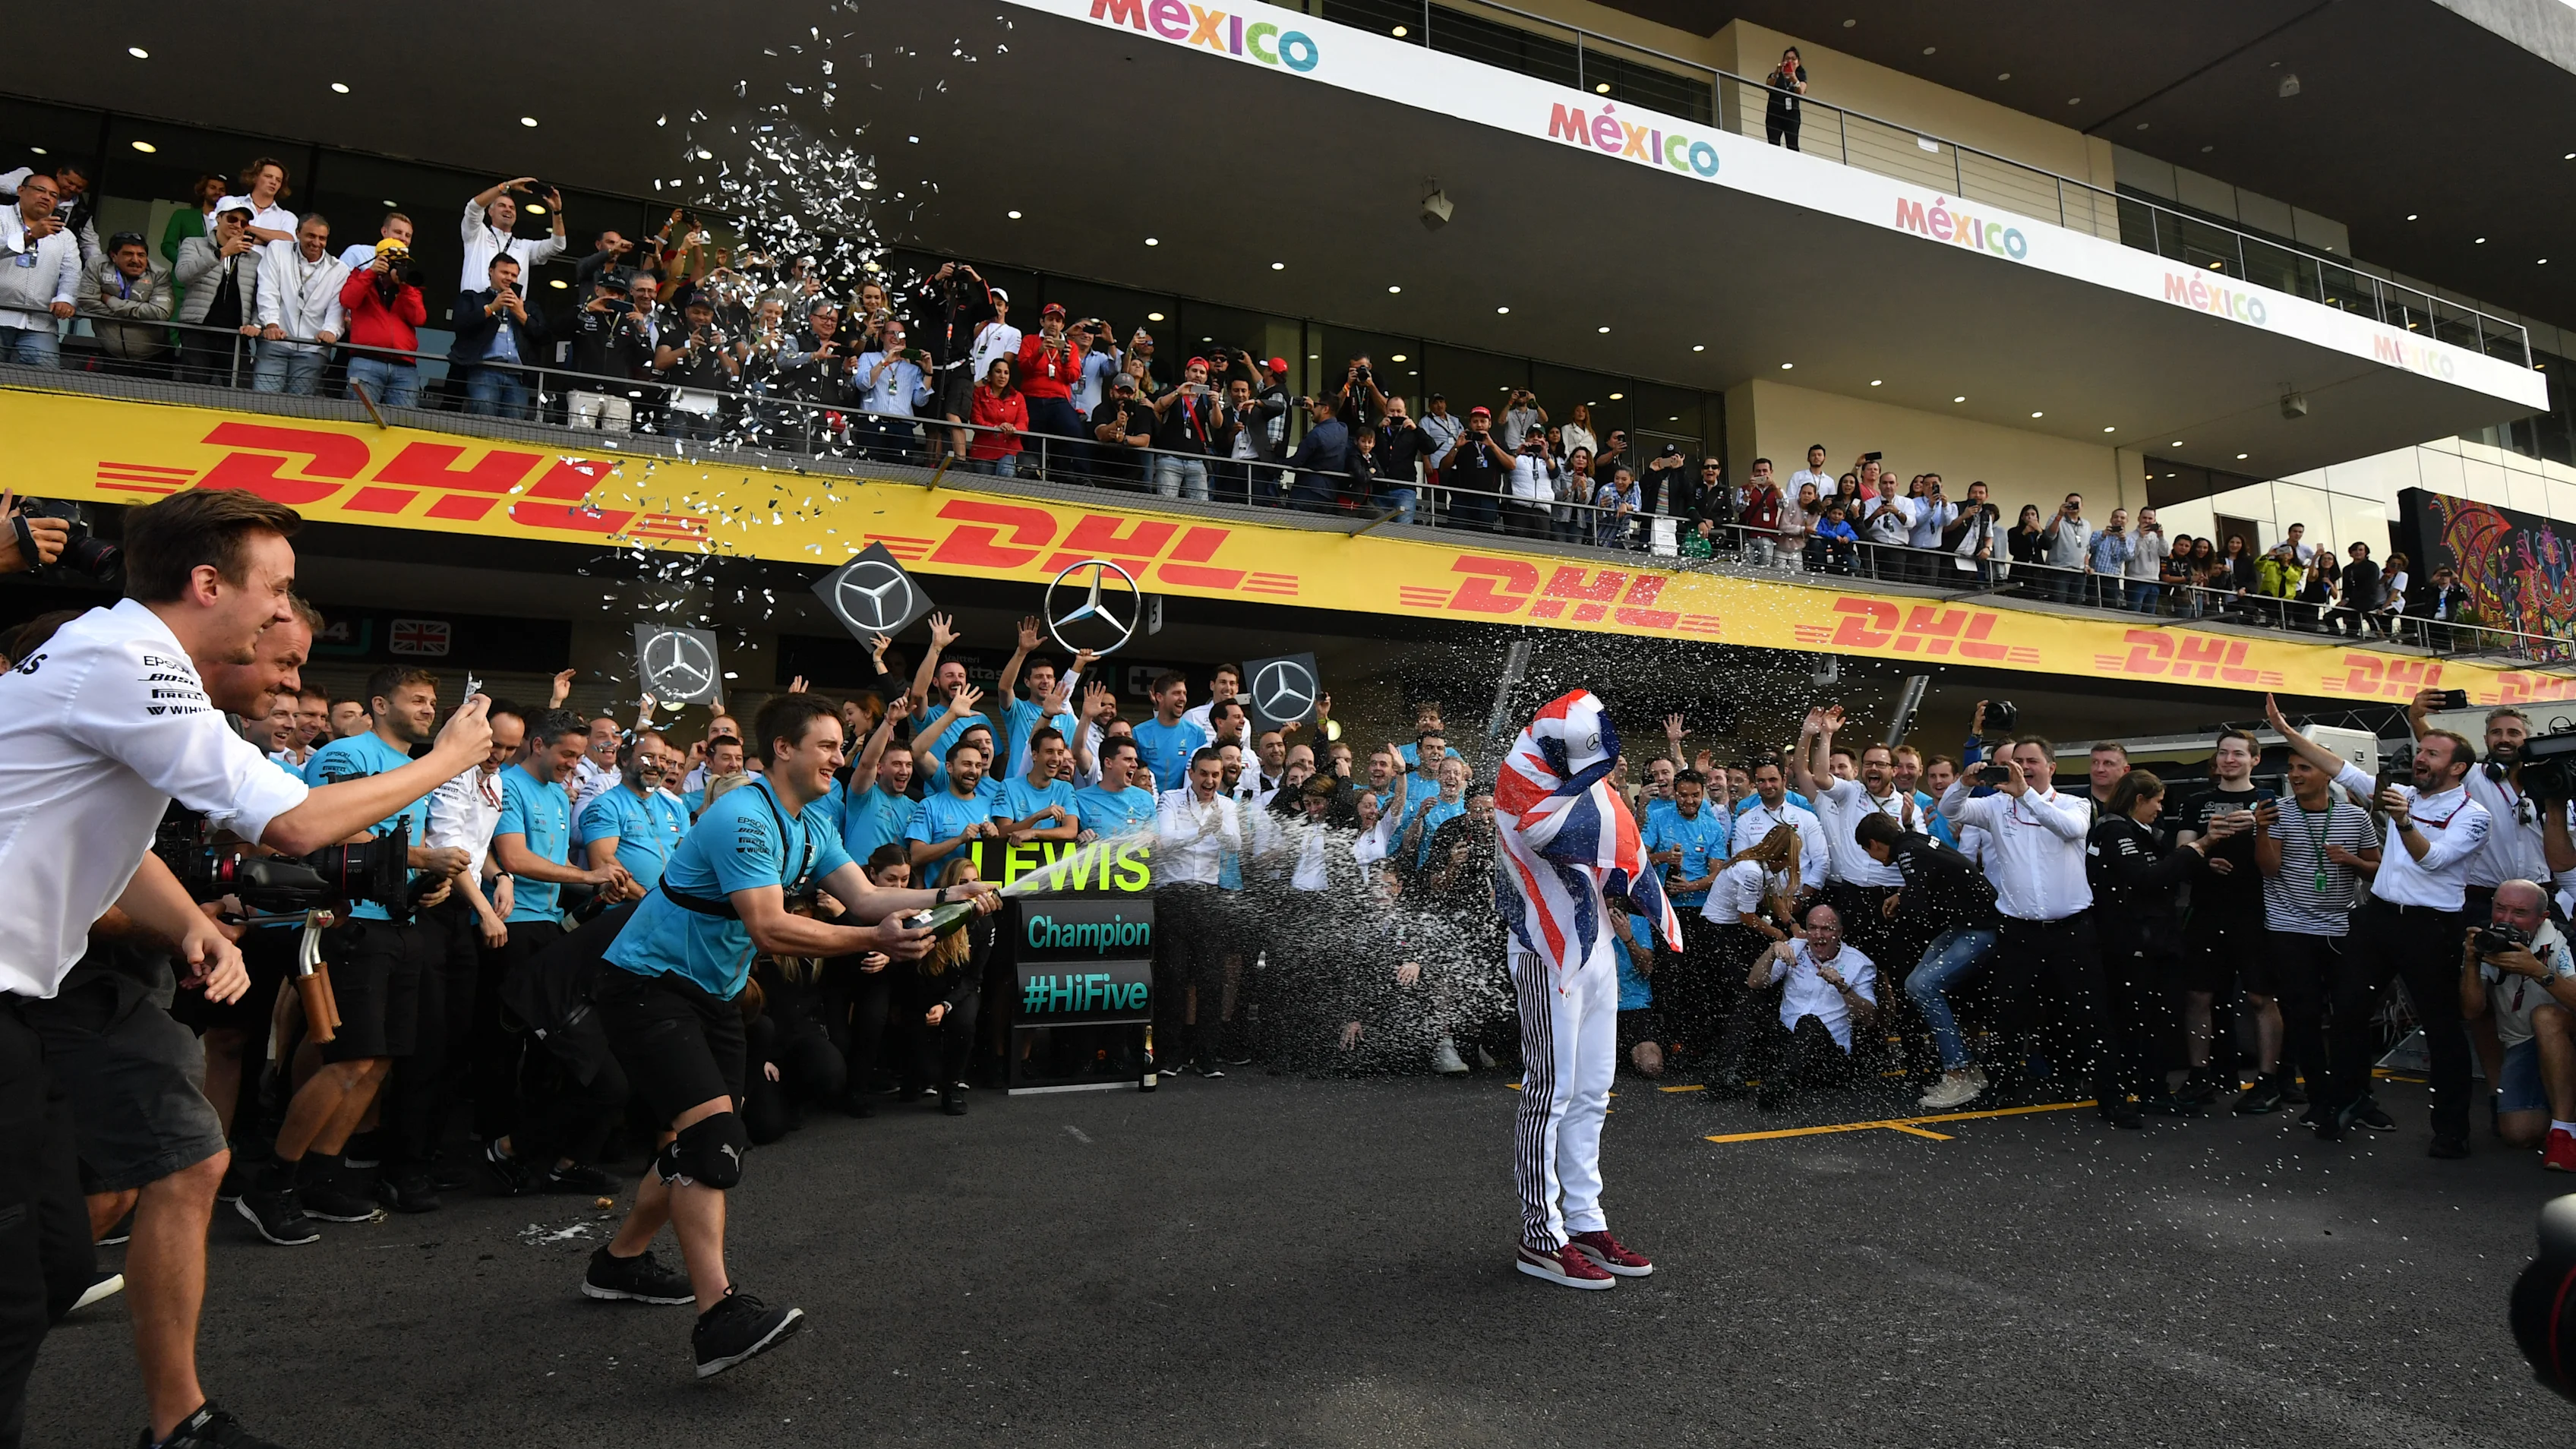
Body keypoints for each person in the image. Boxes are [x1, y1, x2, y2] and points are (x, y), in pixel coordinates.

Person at [0, 488, 494, 1449]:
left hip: (29, 1001)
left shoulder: (121, 655)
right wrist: (446, 760)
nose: (282, 614)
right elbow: (296, 826)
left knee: (56, 1262)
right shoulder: (133, 659)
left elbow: (103, 837)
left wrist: (188, 922)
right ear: (206, 584)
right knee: (16, 1294)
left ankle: (176, 1424)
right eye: (276, 589)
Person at [589, 694, 996, 1376]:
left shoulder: (810, 823)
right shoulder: (743, 816)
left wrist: (942, 897)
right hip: (648, 986)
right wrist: (873, 940)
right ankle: (718, 1318)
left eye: (841, 746)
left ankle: (618, 1261)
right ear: (783, 749)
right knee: (712, 1141)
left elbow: (865, 897)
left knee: (703, 1143)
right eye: (828, 746)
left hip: (713, 995)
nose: (840, 758)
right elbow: (770, 928)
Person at [1494, 690, 1673, 1291]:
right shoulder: (1524, 784)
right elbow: (1558, 834)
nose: (1603, 767)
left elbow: (1616, 847)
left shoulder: (1584, 787)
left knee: (1593, 1091)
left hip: (1596, 947)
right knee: (1551, 1092)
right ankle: (1540, 1234)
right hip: (1548, 953)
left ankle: (1584, 1220)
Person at [2265, 694, 2489, 1154]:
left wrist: (2403, 822)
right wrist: (2288, 733)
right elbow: (2339, 768)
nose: (2420, 758)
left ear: (2458, 768)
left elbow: (2433, 860)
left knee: (2441, 1027)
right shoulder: (2402, 792)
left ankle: (2452, 1131)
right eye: (2421, 751)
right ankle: (2349, 1100)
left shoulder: (2474, 816)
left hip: (2432, 927)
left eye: (2432, 754)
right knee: (2347, 1012)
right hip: (2379, 919)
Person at [1937, 723, 2131, 1126]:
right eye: (2017, 762)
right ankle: (2001, 1089)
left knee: (2091, 1015)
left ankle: (2111, 1097)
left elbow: (2071, 830)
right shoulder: (1995, 806)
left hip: (2072, 930)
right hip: (2019, 932)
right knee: (2006, 1015)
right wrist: (1964, 784)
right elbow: (1950, 812)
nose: (2023, 768)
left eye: (2032, 762)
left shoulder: (2074, 804)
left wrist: (2025, 794)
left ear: (2051, 768)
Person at [2088, 769, 2242, 1116]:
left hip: (2154, 940)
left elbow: (2163, 866)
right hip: (2132, 942)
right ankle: (2122, 1093)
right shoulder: (2115, 831)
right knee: (2133, 1021)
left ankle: (2152, 1087)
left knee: (2159, 1019)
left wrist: (2201, 864)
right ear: (2138, 800)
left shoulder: (2142, 832)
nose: (2160, 809)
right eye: (2156, 802)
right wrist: (2199, 846)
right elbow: (2146, 877)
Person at [2243, 747, 2377, 1116]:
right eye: (2291, 768)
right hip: (2289, 926)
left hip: (2340, 925)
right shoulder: (2278, 813)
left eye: (2305, 767)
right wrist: (2262, 829)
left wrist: (2351, 860)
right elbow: (2268, 869)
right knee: (2303, 1015)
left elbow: (2377, 869)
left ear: (2328, 775)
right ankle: (2319, 1099)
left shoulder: (2354, 816)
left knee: (2350, 1014)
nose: (2295, 775)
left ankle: (2357, 1095)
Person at [2172, 731, 2274, 1106]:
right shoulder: (2196, 801)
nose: (2229, 760)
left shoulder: (2269, 801)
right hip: (2207, 911)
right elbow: (2182, 853)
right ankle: (2199, 1075)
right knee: (2198, 995)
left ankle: (2269, 1079)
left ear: (2255, 760)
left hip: (2256, 912)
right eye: (2223, 753)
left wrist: (2258, 826)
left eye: (2238, 754)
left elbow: (2282, 856)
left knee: (2261, 997)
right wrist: (2206, 855)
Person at [2458, 880, 2576, 1167]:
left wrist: (2538, 971)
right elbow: (2471, 1011)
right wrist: (2472, 963)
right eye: (2501, 909)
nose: (2507, 919)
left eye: (2519, 913)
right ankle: (2533, 1102)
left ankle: (2564, 1133)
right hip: (2522, 1041)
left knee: (2545, 1017)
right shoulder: (2485, 938)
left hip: (2565, 1034)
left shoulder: (2561, 938)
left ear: (2542, 917)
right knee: (2519, 1134)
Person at [1156, 749, 1245, 1077]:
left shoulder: (1227, 806)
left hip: (1209, 897)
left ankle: (1207, 1056)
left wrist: (1217, 830)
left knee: (1211, 978)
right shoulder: (1170, 799)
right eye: (1204, 774)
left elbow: (1235, 844)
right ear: (1191, 773)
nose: (1210, 781)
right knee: (1173, 977)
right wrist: (1204, 832)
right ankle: (1170, 1055)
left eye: (1216, 775)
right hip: (1173, 895)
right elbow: (1166, 840)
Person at [1742, 905, 1877, 1107]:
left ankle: (1777, 1086)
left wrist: (1843, 988)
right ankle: (1726, 1073)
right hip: (1787, 1045)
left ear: (1839, 932)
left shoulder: (1858, 963)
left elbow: (1869, 1019)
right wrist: (1771, 952)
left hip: (1826, 1057)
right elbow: (1755, 983)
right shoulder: (1795, 948)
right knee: (1750, 1002)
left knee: (1809, 1023)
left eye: (1826, 929)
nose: (1818, 935)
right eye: (1813, 928)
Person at [250, 214, 346, 396]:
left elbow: (337, 307)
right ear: (298, 233)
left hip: (312, 348)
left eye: (322, 238)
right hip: (276, 341)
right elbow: (268, 289)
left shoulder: (339, 268)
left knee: (297, 408)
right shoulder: (278, 249)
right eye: (311, 236)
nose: (316, 243)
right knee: (262, 402)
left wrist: (331, 331)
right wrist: (271, 324)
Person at [174, 202, 263, 385]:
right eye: (232, 219)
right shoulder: (194, 243)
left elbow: (259, 298)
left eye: (243, 223)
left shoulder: (254, 258)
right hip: (198, 331)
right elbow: (183, 275)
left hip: (235, 336)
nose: (238, 225)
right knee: (193, 388)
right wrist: (222, 253)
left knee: (240, 391)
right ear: (219, 218)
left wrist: (255, 323)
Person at [451, 254, 548, 420]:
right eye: (505, 272)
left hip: (518, 377)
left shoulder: (528, 307)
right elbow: (459, 324)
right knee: (483, 421)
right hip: (484, 370)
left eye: (514, 275)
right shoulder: (473, 298)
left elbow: (544, 337)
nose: (510, 278)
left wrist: (521, 314)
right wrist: (491, 307)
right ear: (491, 271)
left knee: (513, 428)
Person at [77, 231, 176, 374]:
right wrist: (137, 314)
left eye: (141, 255)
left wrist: (112, 302)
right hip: (111, 356)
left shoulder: (159, 274)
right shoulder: (97, 267)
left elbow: (161, 312)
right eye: (128, 254)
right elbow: (87, 302)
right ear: (113, 256)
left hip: (155, 358)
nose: (136, 260)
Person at [1765, 46, 1808, 149]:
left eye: (1793, 59)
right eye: (1787, 59)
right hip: (1774, 114)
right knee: (1773, 145)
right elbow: (1768, 87)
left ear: (1798, 62)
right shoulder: (1776, 75)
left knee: (1792, 145)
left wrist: (1794, 78)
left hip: (1792, 115)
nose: (1790, 61)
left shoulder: (1801, 76)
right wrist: (1777, 72)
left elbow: (1801, 91)